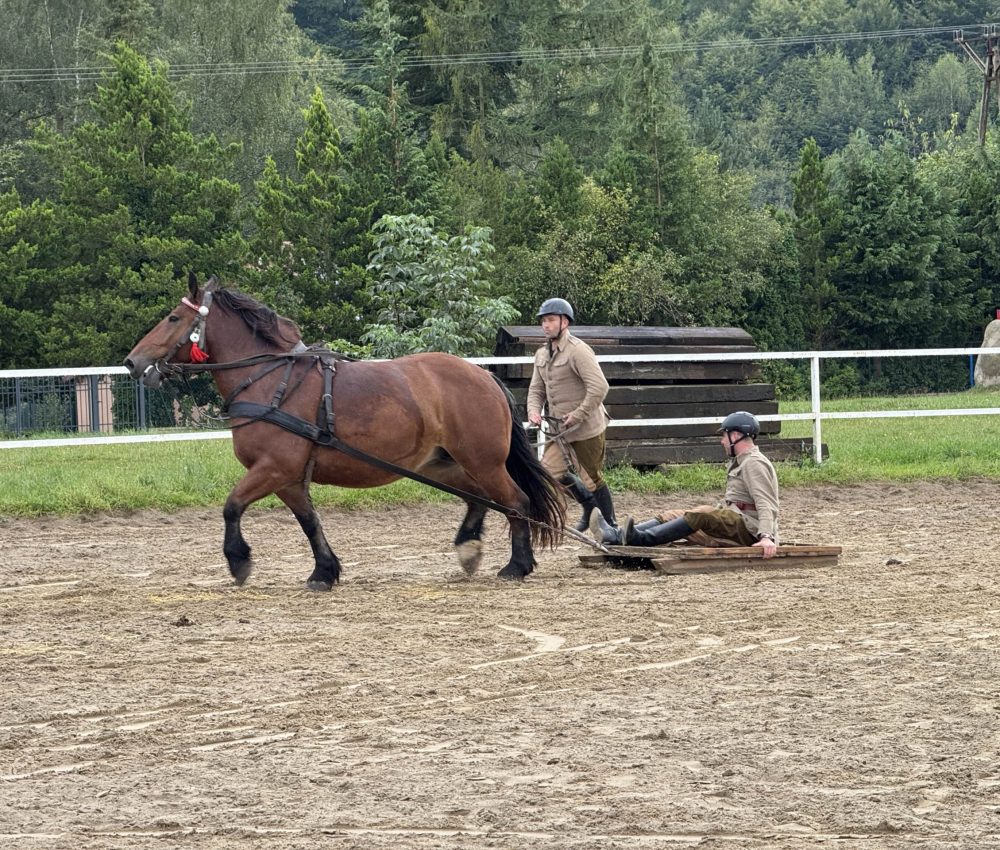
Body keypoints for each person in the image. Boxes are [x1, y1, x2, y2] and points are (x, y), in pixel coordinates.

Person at [590, 411, 779, 558]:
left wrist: (766, 538)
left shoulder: (754, 462)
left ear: (736, 435)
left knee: (702, 513)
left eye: (724, 436)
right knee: (673, 515)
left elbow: (766, 503)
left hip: (749, 530)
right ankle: (617, 535)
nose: (722, 441)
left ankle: (639, 539)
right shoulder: (741, 460)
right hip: (736, 524)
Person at [526, 297, 618, 532]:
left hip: (586, 427)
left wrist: (578, 414)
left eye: (550, 320)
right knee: (548, 473)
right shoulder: (541, 355)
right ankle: (588, 505)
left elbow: (599, 387)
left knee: (592, 478)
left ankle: (611, 528)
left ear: (564, 322)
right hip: (559, 430)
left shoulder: (578, 351)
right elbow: (536, 389)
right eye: (543, 321)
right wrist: (534, 411)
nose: (546, 325)